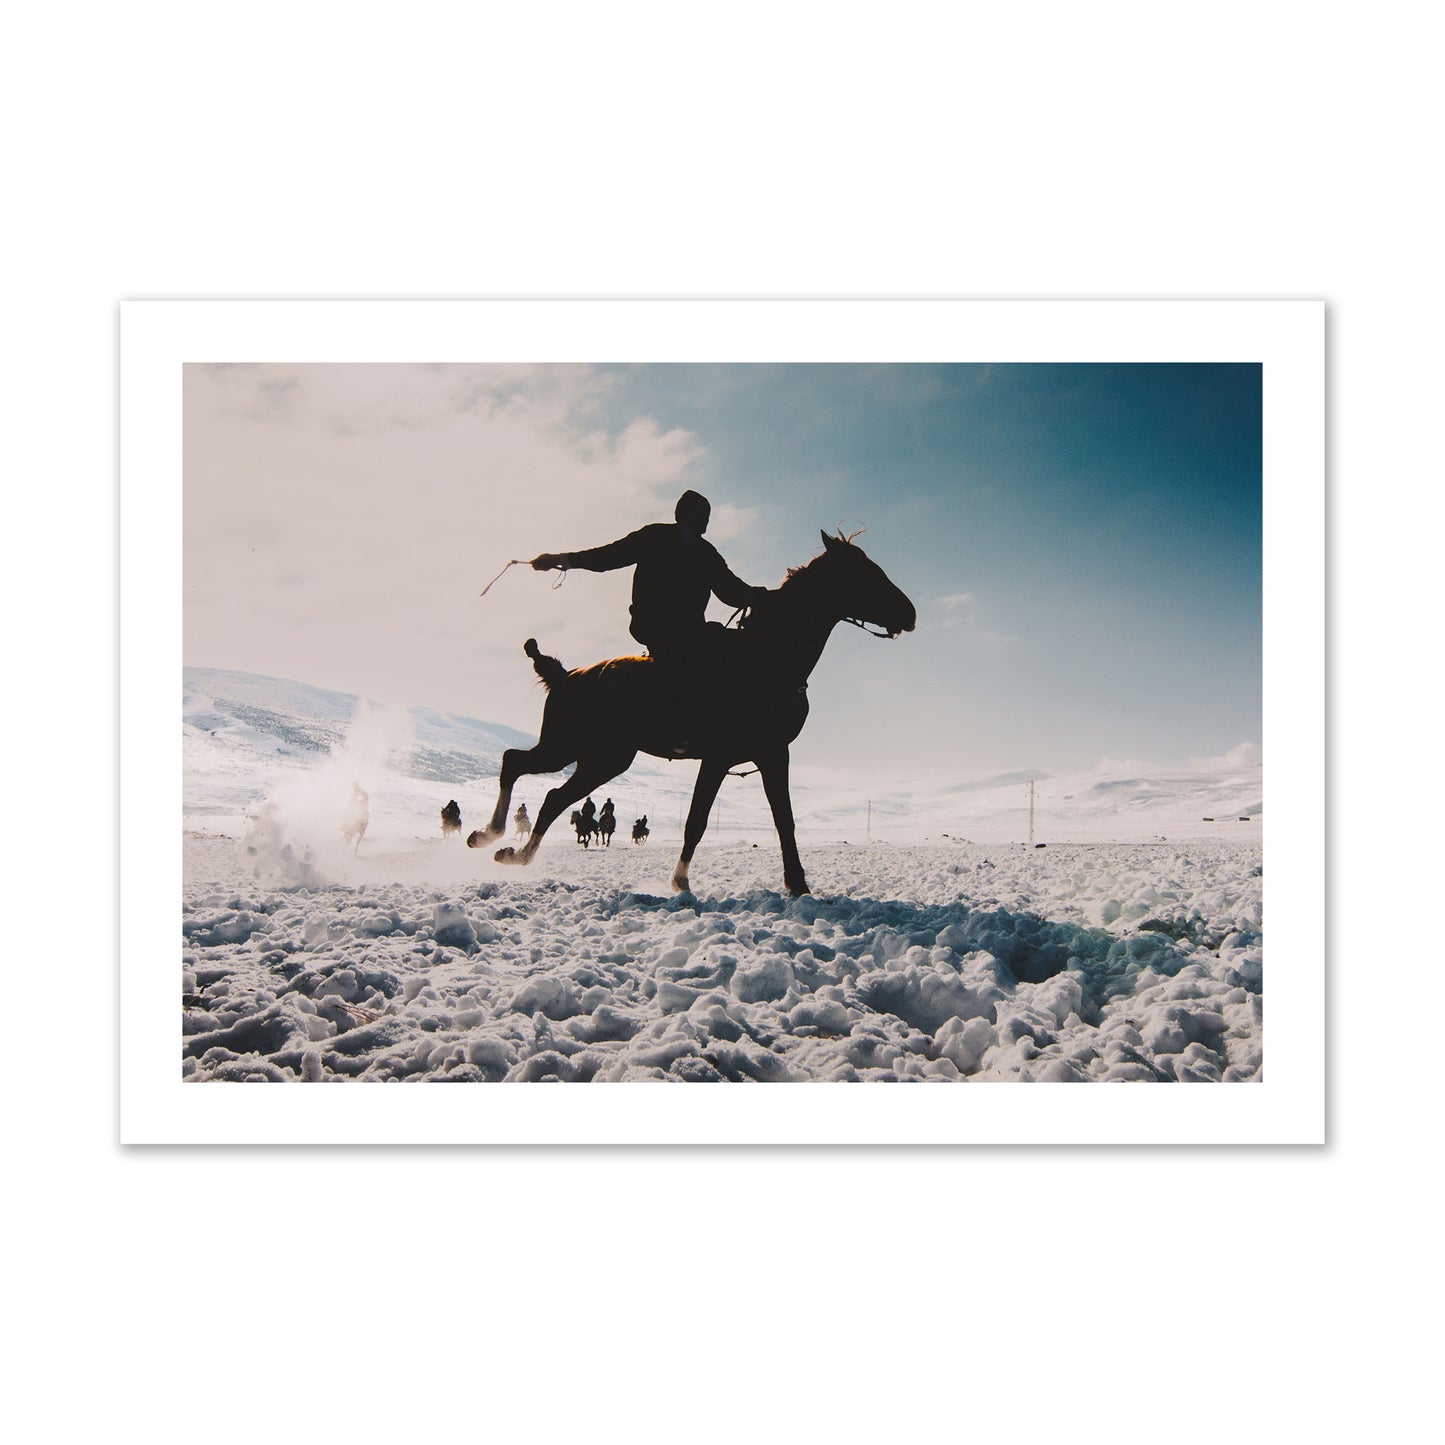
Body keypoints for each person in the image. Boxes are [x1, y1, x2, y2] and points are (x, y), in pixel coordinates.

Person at [531, 490, 765, 665]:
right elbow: (733, 593)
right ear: (702, 522)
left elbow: (606, 557)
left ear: (677, 514)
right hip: (678, 632)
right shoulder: (703, 552)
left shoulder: (659, 537)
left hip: (655, 628)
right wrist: (765, 597)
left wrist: (560, 560)